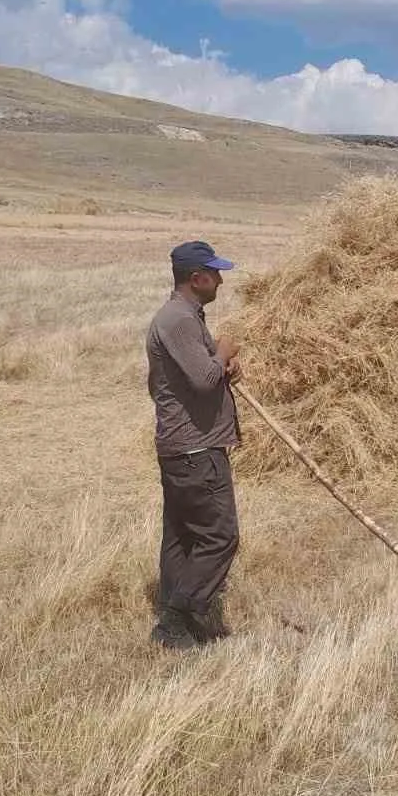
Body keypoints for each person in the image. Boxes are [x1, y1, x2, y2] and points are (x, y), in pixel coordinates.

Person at [145, 240, 244, 650]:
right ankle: (176, 618)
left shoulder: (185, 316)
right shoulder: (179, 320)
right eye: (215, 273)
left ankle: (178, 621)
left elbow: (199, 375)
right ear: (196, 278)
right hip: (195, 451)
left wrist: (221, 367)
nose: (220, 280)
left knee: (183, 536)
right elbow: (204, 379)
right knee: (221, 536)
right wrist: (222, 353)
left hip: (184, 449)